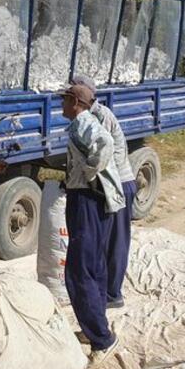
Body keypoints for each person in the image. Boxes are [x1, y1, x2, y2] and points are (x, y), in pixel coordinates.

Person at [60, 84, 123, 369]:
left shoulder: (83, 122)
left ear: (75, 102)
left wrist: (88, 171)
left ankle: (102, 340)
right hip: (93, 202)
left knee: (79, 271)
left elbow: (105, 144)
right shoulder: (85, 122)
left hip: (87, 201)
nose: (61, 104)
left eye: (64, 99)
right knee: (95, 267)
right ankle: (96, 325)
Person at [71, 75, 136, 308]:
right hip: (109, 186)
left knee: (116, 242)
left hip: (119, 184)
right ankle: (103, 290)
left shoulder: (100, 116)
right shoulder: (89, 116)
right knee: (104, 241)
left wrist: (88, 173)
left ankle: (113, 294)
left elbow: (103, 149)